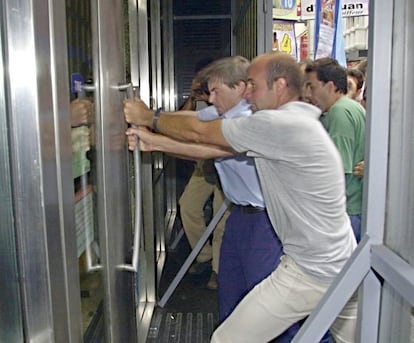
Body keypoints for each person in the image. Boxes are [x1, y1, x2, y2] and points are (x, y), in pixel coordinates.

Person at [124, 52, 358, 342]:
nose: (248, 92)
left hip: (310, 270)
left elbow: (200, 133)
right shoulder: (293, 123)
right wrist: (155, 142)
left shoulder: (277, 126)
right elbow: (213, 143)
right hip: (343, 263)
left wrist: (149, 117)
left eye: (253, 84)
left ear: (280, 85)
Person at [178, 65, 229, 290]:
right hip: (203, 165)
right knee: (187, 206)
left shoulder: (224, 102)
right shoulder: (201, 102)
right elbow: (182, 120)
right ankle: (204, 255)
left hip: (224, 166)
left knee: (221, 220)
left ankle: (218, 269)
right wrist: (192, 97)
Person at [305, 57, 366, 243]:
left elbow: (338, 169)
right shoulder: (350, 108)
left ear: (330, 86)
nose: (309, 93)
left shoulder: (339, 113)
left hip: (346, 212)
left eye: (313, 87)